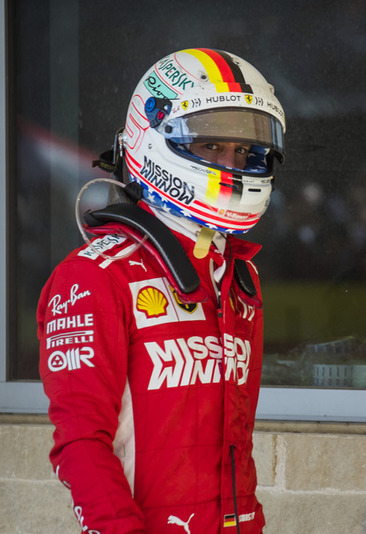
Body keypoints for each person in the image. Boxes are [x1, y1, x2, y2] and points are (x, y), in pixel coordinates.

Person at [37, 48, 285, 533]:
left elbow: (236, 443)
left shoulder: (239, 276)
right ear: (152, 137)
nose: (231, 163)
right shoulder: (93, 278)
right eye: (211, 146)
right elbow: (80, 445)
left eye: (244, 150)